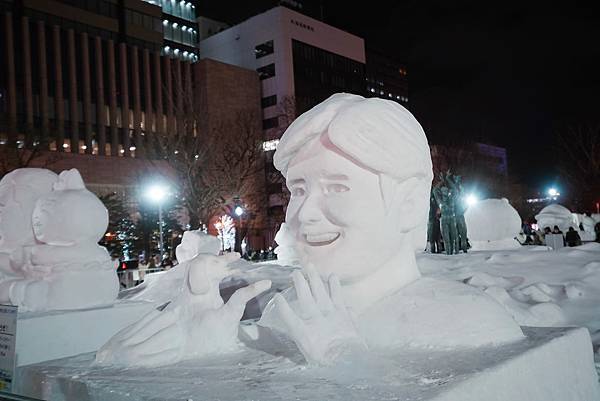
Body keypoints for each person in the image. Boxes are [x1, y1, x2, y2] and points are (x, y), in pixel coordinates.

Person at [97, 93, 523, 368]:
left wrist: (345, 361)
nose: (305, 215)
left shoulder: (466, 321)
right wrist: (205, 352)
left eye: (338, 187)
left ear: (409, 203)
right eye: (299, 190)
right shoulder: (284, 311)